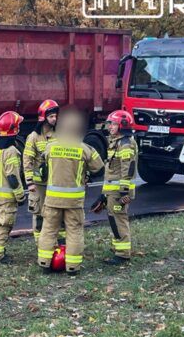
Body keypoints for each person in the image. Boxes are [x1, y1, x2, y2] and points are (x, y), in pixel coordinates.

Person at [37, 108, 103, 275]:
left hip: (52, 200)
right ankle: (72, 267)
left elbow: (43, 168)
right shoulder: (85, 148)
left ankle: (44, 263)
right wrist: (86, 176)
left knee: (48, 230)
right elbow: (99, 169)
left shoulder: (50, 147)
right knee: (74, 231)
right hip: (74, 201)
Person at [92, 109, 138, 264]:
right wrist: (104, 194)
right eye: (110, 124)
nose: (110, 127)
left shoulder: (125, 145)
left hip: (119, 193)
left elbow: (127, 170)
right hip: (113, 192)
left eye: (113, 124)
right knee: (113, 219)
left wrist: (124, 193)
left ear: (122, 125)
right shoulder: (116, 142)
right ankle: (119, 249)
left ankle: (123, 254)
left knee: (119, 220)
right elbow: (111, 172)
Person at [0, 111, 26, 262]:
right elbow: (13, 177)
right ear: (14, 129)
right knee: (3, 226)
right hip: (7, 198)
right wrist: (20, 196)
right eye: (18, 126)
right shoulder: (11, 151)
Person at [24, 99, 60, 245]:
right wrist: (29, 182)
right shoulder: (34, 136)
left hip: (55, 183)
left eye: (56, 116)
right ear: (43, 117)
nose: (54, 119)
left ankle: (57, 242)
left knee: (56, 213)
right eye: (51, 116)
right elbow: (27, 160)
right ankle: (40, 243)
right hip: (38, 184)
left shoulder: (59, 134)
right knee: (38, 213)